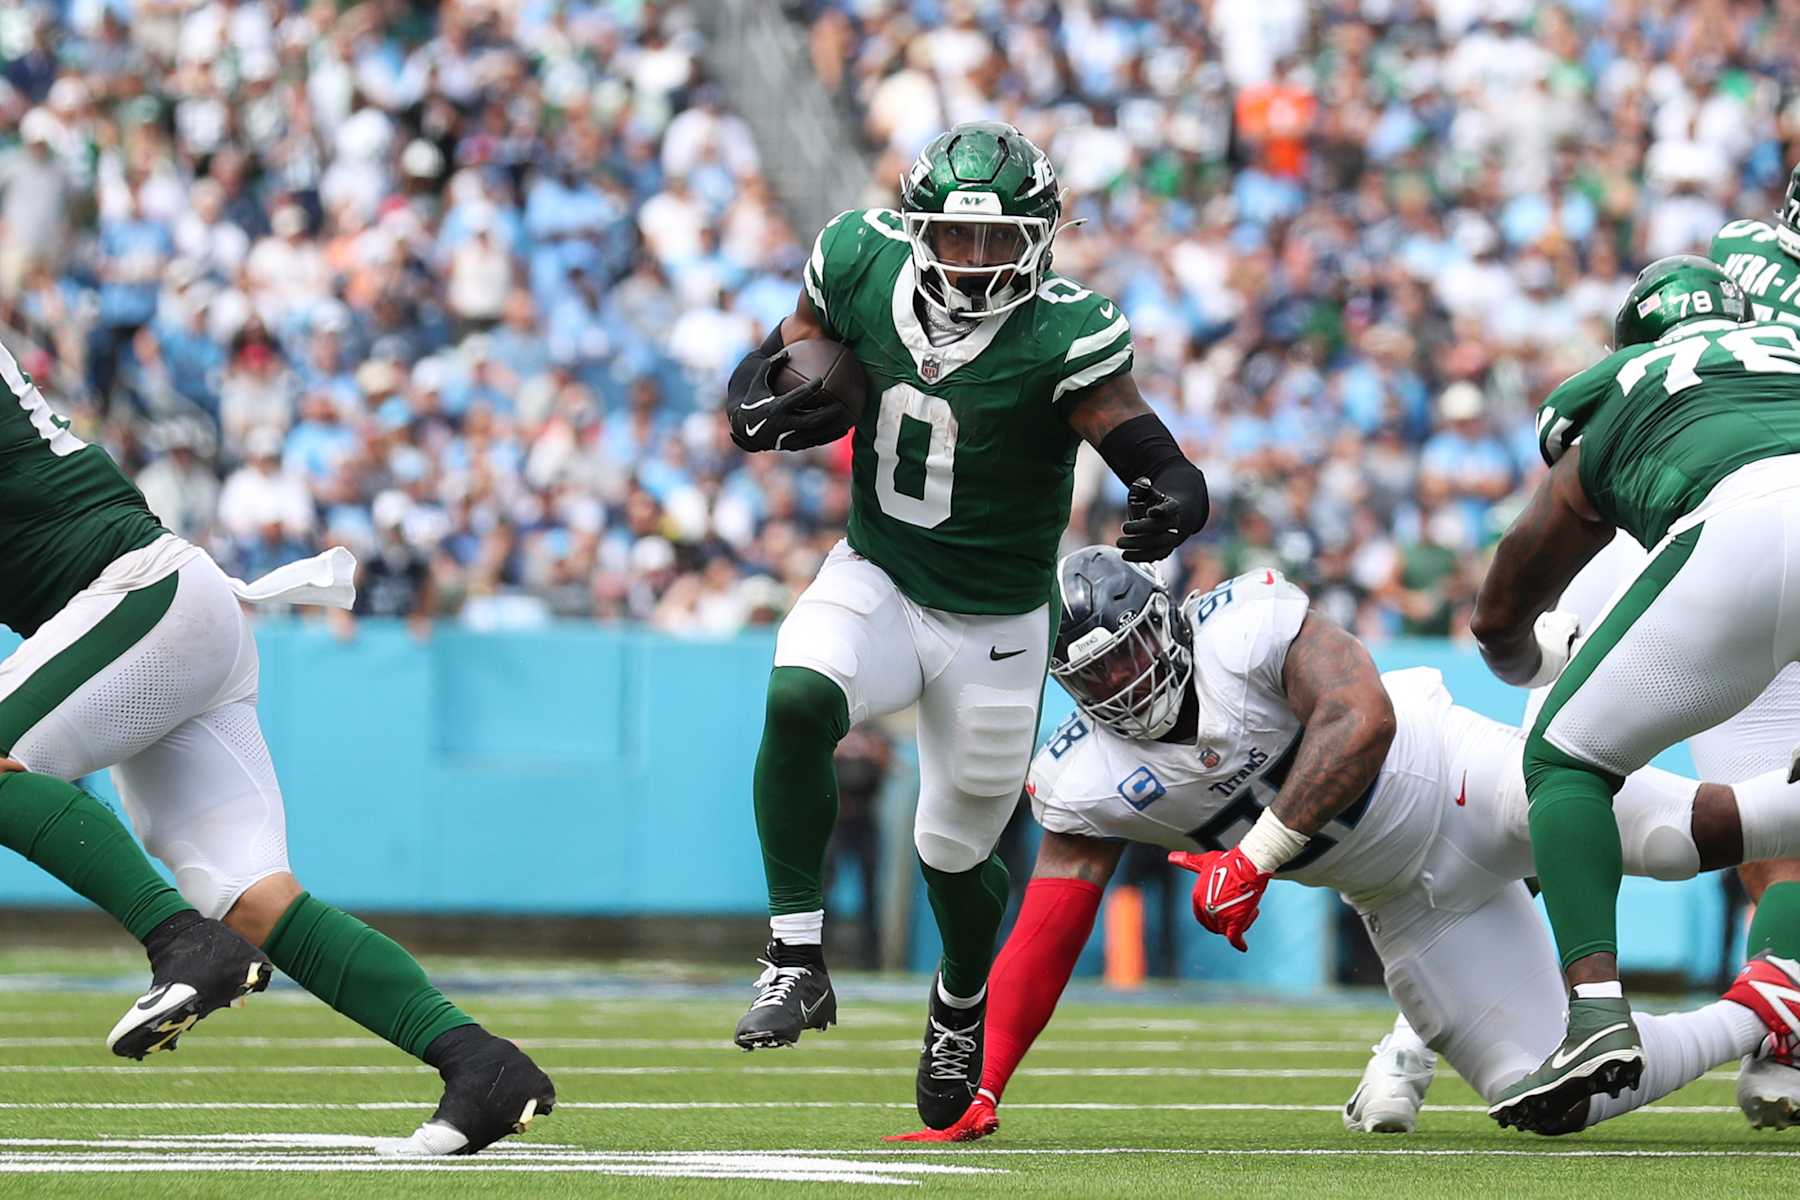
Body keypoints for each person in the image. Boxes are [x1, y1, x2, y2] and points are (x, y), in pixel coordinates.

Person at [887, 547, 1800, 1144]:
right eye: (1096, 679)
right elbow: (1048, 928)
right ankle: (1768, 1003)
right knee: (1546, 1095)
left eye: (1128, 654)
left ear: (1164, 621)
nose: (1123, 686)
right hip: (1406, 901)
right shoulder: (1083, 772)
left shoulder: (1244, 625)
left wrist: (1253, 858)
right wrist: (988, 1080)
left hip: (1456, 778)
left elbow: (1360, 718)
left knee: (1682, 838)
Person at [723, 122, 1211, 1130]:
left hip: (996, 621)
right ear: (917, 228)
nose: (975, 258)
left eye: (997, 240)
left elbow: (1135, 435)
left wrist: (1171, 485)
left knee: (954, 852)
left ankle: (958, 999)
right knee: (797, 695)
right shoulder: (857, 258)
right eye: (954, 234)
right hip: (879, 574)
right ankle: (794, 953)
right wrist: (752, 391)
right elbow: (788, 345)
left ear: (1040, 240)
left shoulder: (1064, 334)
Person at [0, 338, 552, 1156]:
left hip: (136, 593)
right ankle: (482, 1066)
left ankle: (182, 943)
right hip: (165, 615)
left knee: (201, 918)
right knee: (252, 899)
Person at [1471, 255, 1800, 1132]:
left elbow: (1532, 550)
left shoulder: (1616, 383)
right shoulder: (1790, 345)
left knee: (1564, 758)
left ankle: (1594, 1015)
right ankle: (1784, 1007)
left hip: (1737, 525)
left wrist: (1508, 645)